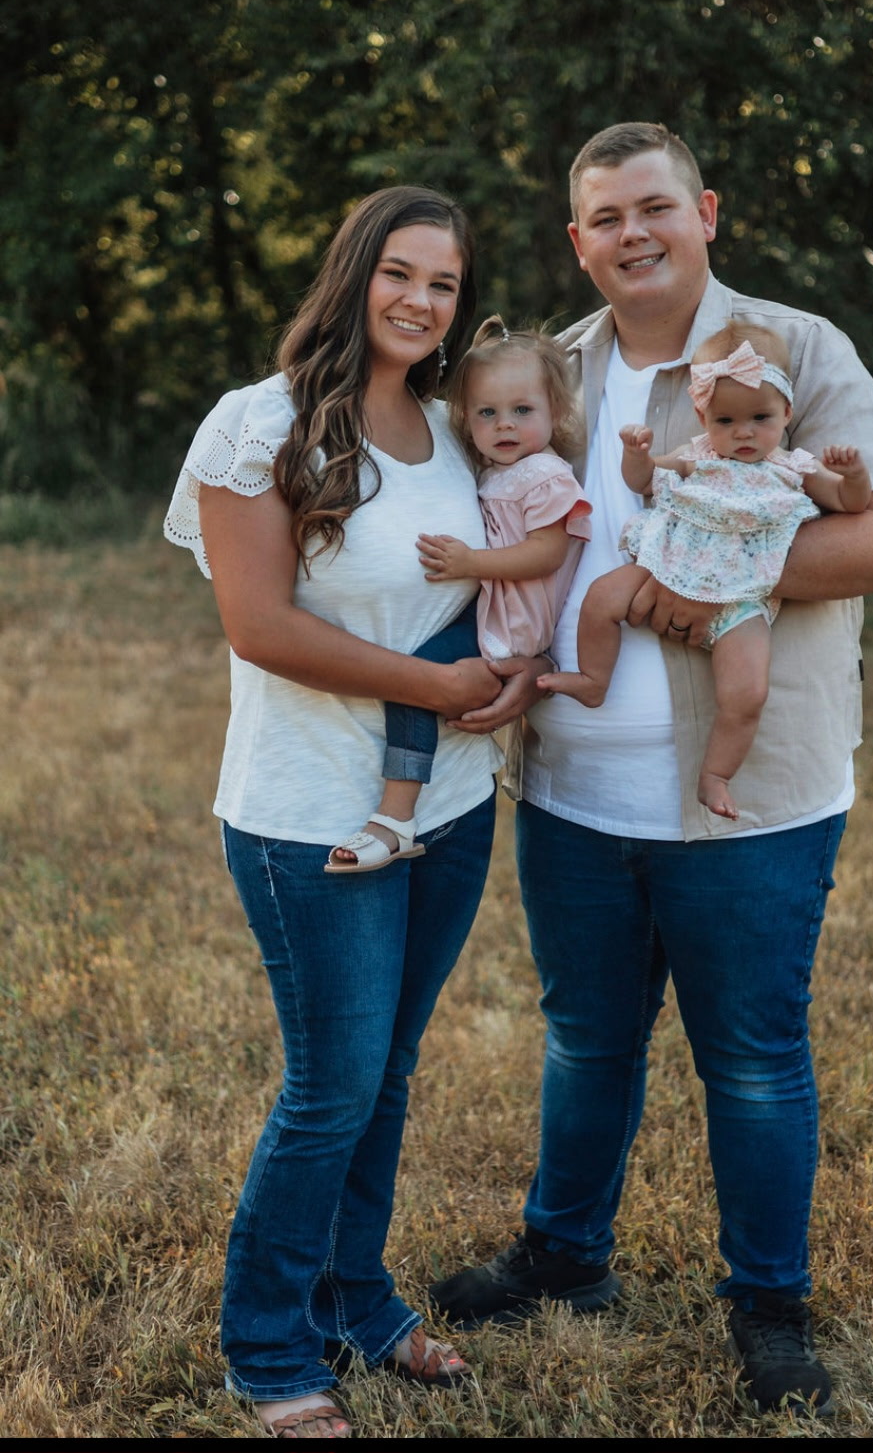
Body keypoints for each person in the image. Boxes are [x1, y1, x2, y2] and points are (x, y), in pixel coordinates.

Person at [429, 123, 873, 1418]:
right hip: (570, 789)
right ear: (576, 241)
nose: (631, 233)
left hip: (750, 798)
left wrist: (705, 582)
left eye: (654, 206)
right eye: (605, 217)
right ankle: (564, 1256)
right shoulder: (551, 370)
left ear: (703, 212)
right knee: (586, 1041)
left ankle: (768, 1305)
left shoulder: (796, 350)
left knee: (749, 1058)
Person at [163, 187, 510, 1438]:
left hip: (452, 802)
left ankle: (356, 1299)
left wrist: (503, 678)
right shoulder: (259, 424)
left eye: (444, 284)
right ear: (355, 274)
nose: (420, 301)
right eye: (399, 274)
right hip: (312, 812)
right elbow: (259, 626)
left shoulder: (457, 431)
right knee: (331, 1087)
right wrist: (433, 686)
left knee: (388, 1075)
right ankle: (268, 1349)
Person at [540, 323, 871, 820]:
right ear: (703, 417)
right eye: (725, 420)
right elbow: (644, 481)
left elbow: (849, 501)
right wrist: (636, 455)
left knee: (748, 691)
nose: (743, 432)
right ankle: (593, 678)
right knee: (601, 597)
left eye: (760, 418)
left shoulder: (794, 469)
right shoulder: (697, 456)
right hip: (668, 562)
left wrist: (854, 475)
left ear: (787, 412)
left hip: (741, 597)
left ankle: (715, 775)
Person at [326, 317, 590, 873]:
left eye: (523, 410)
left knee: (414, 682)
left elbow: (547, 551)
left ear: (557, 412)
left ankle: (395, 817)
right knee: (419, 674)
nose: (505, 424)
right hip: (493, 611)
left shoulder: (545, 475)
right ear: (465, 419)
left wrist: (471, 563)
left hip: (511, 625)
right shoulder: (497, 471)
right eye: (486, 413)